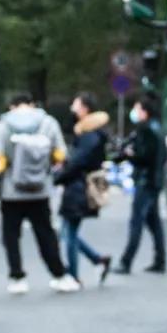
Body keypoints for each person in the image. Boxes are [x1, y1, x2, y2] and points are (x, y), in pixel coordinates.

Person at [0, 92, 77, 293]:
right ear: (32, 104)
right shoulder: (48, 123)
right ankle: (59, 275)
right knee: (46, 234)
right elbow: (60, 154)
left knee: (11, 236)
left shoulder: (4, 125)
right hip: (40, 189)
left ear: (12, 106)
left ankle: (17, 277)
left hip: (11, 190)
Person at [56, 92, 112, 285]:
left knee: (69, 233)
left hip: (79, 187)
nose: (72, 108)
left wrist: (60, 176)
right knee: (67, 232)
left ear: (85, 109)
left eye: (76, 104)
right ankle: (97, 260)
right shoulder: (92, 133)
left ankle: (73, 275)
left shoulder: (89, 135)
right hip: (81, 185)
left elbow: (77, 162)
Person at [118, 93, 166, 274]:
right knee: (153, 222)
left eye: (137, 109)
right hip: (154, 180)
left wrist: (131, 155)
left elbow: (145, 156)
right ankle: (160, 260)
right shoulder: (156, 128)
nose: (134, 112)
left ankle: (126, 261)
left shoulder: (147, 130)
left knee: (137, 220)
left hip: (146, 180)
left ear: (144, 112)